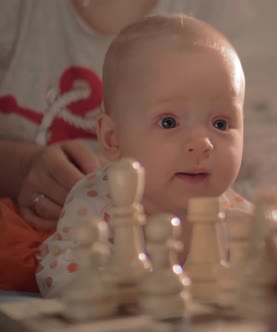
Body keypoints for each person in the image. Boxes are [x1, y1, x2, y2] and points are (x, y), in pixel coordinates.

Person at [0, 0, 250, 292]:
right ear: (111, 139)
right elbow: (57, 273)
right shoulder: (97, 199)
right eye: (168, 122)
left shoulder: (228, 202)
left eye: (221, 124)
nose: (203, 144)